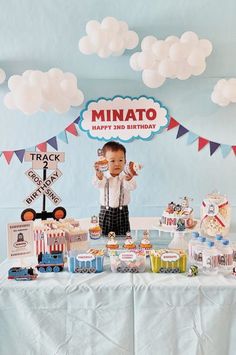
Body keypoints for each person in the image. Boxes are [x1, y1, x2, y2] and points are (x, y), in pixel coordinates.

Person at [93, 141, 137, 236]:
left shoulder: (126, 176)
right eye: (112, 161)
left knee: (124, 236)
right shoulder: (104, 176)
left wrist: (129, 179)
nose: (117, 164)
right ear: (104, 162)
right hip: (105, 211)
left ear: (125, 161)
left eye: (120, 160)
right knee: (104, 236)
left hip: (122, 212)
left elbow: (132, 187)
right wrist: (99, 176)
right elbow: (97, 184)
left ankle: (125, 248)